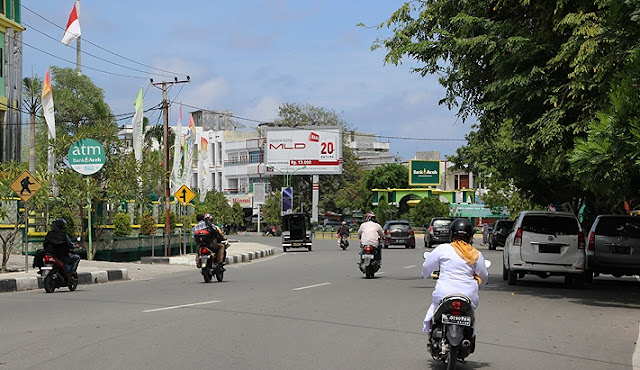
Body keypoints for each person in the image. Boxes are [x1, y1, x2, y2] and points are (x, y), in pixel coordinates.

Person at [421, 218, 489, 336]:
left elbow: (427, 267)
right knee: (471, 315)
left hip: (444, 294)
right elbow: (483, 275)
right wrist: (480, 285)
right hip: (468, 295)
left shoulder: (443, 249)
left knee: (434, 307)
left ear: (451, 233)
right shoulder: (476, 254)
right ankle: (470, 335)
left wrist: (425, 275)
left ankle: (430, 330)